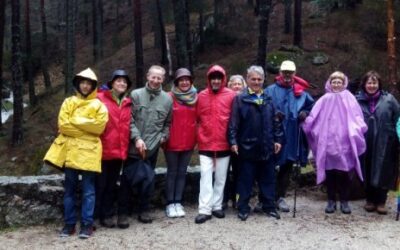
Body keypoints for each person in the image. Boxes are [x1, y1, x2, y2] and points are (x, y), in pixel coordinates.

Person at [43, 68, 108, 238]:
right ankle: (69, 224)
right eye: (83, 82)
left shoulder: (99, 105)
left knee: (88, 191)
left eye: (89, 83)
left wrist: (76, 121)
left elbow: (99, 127)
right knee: (70, 191)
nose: (85, 86)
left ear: (93, 86)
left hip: (89, 153)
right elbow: (63, 125)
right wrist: (87, 131)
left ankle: (87, 224)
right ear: (78, 84)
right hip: (71, 152)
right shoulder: (68, 102)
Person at [302, 71, 367, 214]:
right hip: (328, 142)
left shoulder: (349, 98)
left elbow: (357, 116)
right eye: (334, 82)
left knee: (345, 173)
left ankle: (344, 201)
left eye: (339, 82)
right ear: (329, 83)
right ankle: (331, 200)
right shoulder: (324, 99)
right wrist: (306, 121)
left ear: (344, 83)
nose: (336, 84)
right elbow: (314, 116)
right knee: (330, 172)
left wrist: (357, 129)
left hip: (345, 142)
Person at [117, 65, 172, 227]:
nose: (156, 81)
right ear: (148, 76)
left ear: (163, 79)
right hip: (133, 148)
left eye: (159, 78)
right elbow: (129, 120)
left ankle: (144, 210)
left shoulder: (167, 99)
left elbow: (167, 123)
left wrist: (164, 136)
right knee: (126, 182)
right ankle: (123, 213)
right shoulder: (136, 95)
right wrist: (136, 138)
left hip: (152, 149)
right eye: (153, 77)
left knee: (148, 181)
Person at [228, 66, 284, 221]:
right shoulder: (240, 99)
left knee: (268, 179)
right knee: (245, 179)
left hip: (267, 146)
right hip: (247, 146)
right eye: (253, 79)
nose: (256, 82)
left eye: (259, 79)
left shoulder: (269, 98)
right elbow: (233, 123)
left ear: (263, 80)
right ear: (248, 79)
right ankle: (243, 207)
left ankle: (269, 206)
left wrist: (278, 139)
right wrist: (233, 141)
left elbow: (276, 121)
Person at [264, 60, 314, 212]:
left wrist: (305, 113)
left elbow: (311, 107)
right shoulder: (270, 90)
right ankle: (266, 197)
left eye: (290, 72)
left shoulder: (301, 93)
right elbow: (262, 107)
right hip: (273, 134)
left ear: (294, 73)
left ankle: (280, 197)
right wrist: (272, 114)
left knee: (287, 166)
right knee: (268, 165)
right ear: (280, 72)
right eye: (284, 72)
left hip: (292, 134)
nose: (287, 75)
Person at [195, 65, 236, 224]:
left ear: (223, 79)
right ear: (209, 79)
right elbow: (196, 118)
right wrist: (198, 136)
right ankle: (204, 209)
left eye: (219, 78)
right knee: (205, 176)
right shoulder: (201, 96)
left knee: (221, 177)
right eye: (213, 78)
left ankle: (217, 206)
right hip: (205, 143)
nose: (216, 81)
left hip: (224, 143)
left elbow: (235, 119)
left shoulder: (231, 95)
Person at [356, 71, 400, 214]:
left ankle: (381, 201)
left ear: (379, 84)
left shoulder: (389, 99)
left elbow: (398, 118)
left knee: (384, 169)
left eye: (374, 83)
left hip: (386, 140)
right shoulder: (357, 100)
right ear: (364, 84)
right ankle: (369, 200)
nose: (372, 85)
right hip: (365, 139)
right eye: (369, 82)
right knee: (367, 168)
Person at [95, 70, 132, 228]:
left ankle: (107, 214)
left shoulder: (128, 103)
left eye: (124, 82)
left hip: (119, 151)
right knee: (100, 185)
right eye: (119, 80)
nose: (122, 83)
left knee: (111, 185)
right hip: (102, 151)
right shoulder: (99, 98)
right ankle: (95, 216)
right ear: (111, 83)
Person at [164, 68, 198, 218]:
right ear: (176, 82)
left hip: (189, 141)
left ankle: (178, 201)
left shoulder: (196, 98)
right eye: (181, 80)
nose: (184, 82)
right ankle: (170, 203)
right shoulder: (168, 97)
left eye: (187, 79)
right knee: (172, 172)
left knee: (182, 172)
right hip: (172, 141)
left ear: (191, 81)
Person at [223, 74, 247, 209]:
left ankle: (237, 199)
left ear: (244, 86)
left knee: (239, 173)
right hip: (223, 141)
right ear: (229, 86)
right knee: (223, 174)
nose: (237, 86)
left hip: (241, 143)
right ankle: (224, 199)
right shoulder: (225, 98)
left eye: (239, 84)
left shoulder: (246, 99)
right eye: (234, 84)